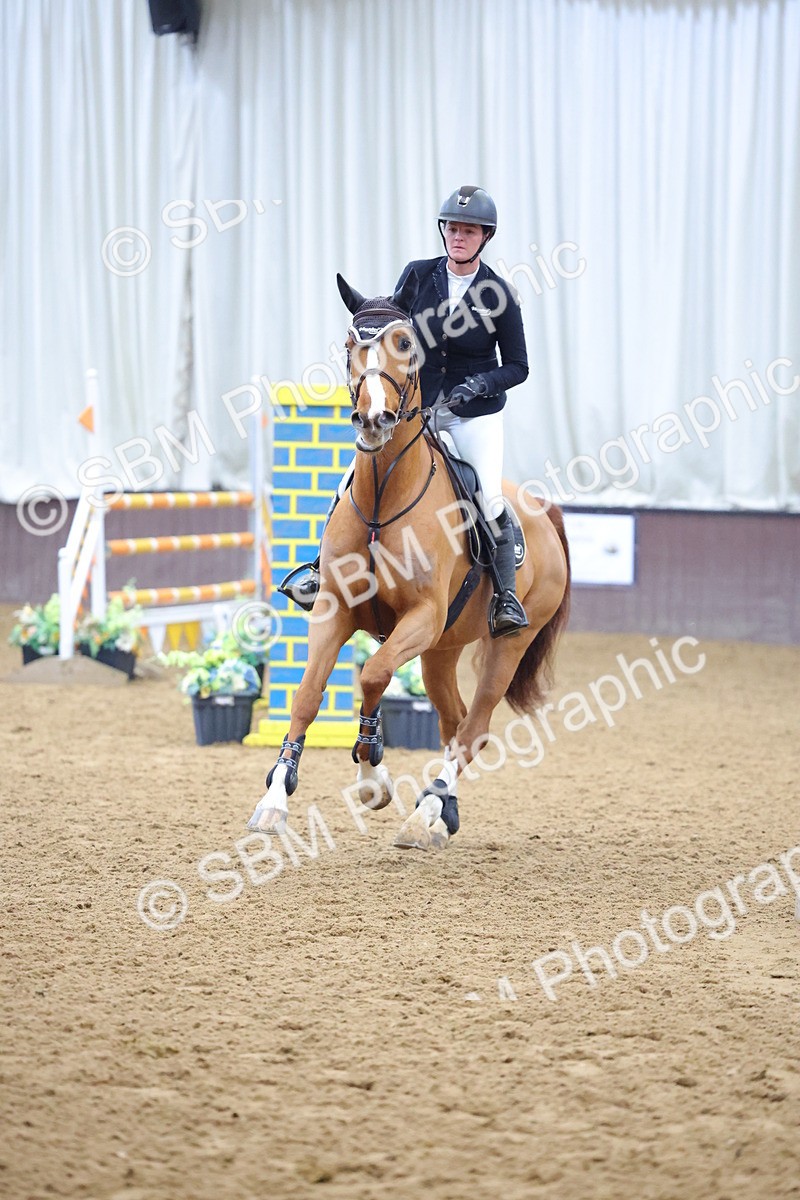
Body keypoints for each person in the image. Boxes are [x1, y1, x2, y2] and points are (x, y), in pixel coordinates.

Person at [281, 184, 530, 637]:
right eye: (453, 228)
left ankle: (505, 599)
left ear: (484, 237)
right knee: (350, 481)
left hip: (474, 414)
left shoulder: (500, 294)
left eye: (469, 231)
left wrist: (482, 382)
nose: (459, 237)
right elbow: (391, 324)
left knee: (488, 496)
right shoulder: (417, 277)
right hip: (417, 409)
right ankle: (321, 571)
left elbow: (518, 365)